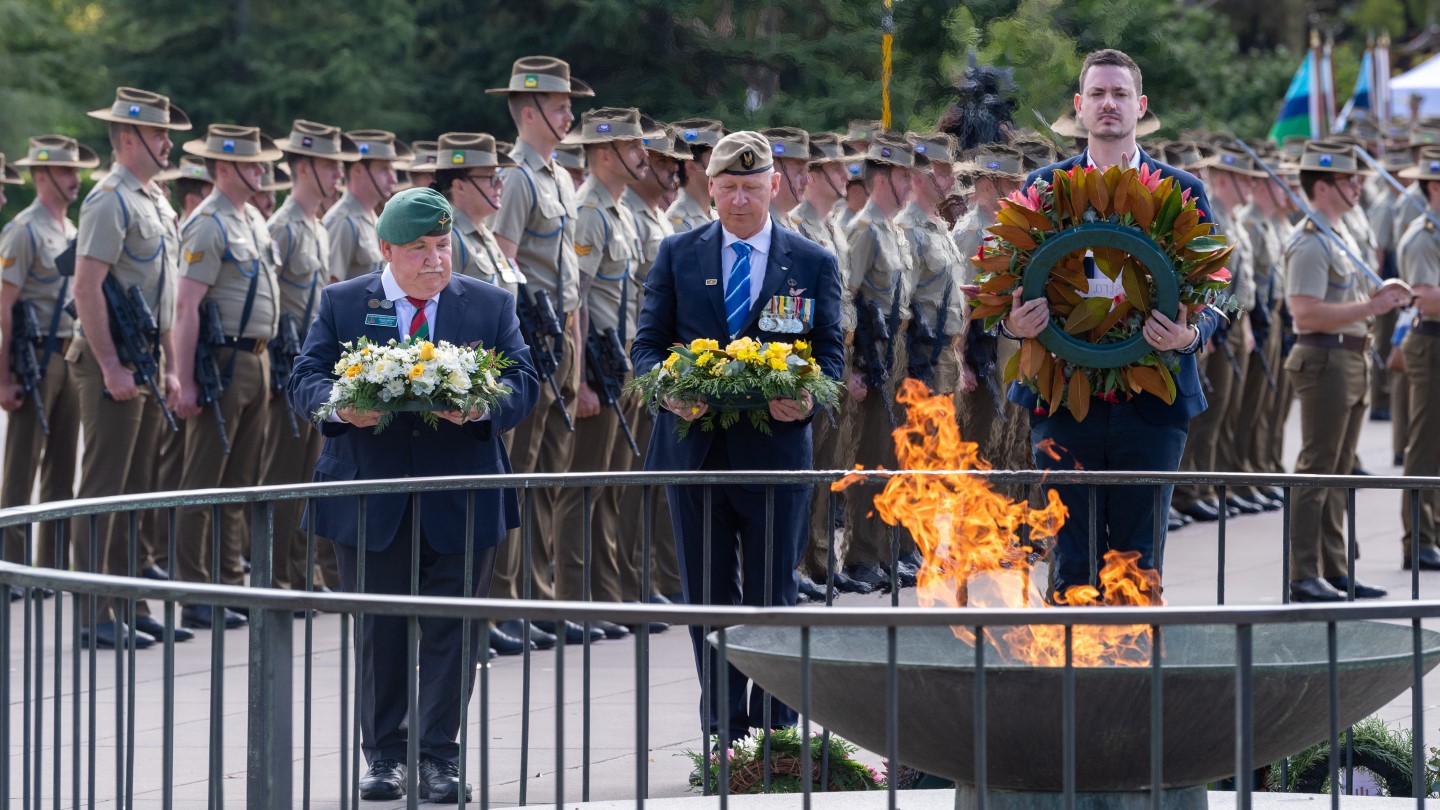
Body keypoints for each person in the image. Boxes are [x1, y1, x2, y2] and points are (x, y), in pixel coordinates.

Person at [287, 187, 538, 802]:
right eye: (420, 249)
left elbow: (524, 379)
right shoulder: (344, 303)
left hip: (463, 494)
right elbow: (306, 376)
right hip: (373, 497)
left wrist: (484, 406)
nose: (435, 260)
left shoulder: (488, 304)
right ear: (386, 250)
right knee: (381, 630)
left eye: (443, 245)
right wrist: (340, 408)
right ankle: (385, 757)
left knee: (455, 631)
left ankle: (438, 757)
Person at [631, 130, 843, 748]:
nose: (742, 200)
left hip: (775, 454)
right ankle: (724, 730)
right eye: (729, 188)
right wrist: (666, 389)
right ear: (710, 192)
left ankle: (775, 733)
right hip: (696, 452)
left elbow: (829, 353)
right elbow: (646, 346)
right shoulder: (677, 254)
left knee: (774, 594)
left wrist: (807, 397)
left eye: (754, 187)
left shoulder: (812, 263)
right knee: (708, 596)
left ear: (776, 186)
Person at [1000, 49, 1222, 600]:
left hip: (1152, 408)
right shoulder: (1044, 190)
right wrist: (1013, 326)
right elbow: (1003, 288)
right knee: (1072, 565)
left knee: (1137, 570)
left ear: (1140, 106)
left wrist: (1192, 336)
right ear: (1078, 106)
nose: (1108, 105)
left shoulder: (1181, 190)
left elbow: (1220, 293)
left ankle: (1134, 685)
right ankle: (1071, 684)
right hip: (1060, 402)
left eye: (1119, 94)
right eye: (1097, 94)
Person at [70, 86, 190, 649]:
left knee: (137, 488)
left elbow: (161, 291)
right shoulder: (108, 199)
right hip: (109, 363)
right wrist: (111, 365)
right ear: (127, 138)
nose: (168, 143)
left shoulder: (153, 199)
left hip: (145, 359)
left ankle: (128, 600)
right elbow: (86, 287)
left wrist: (166, 363)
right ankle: (94, 612)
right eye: (159, 134)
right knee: (104, 491)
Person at [487, 56, 592, 647]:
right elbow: (503, 265)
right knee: (518, 474)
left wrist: (574, 345)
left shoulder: (556, 177)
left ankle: (540, 598)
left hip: (562, 343)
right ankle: (502, 604)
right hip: (529, 343)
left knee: (550, 476)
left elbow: (568, 276)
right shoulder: (517, 179)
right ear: (529, 112)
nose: (568, 114)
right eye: (559, 106)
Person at [1283, 141, 1412, 602]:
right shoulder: (1310, 242)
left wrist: (1382, 297)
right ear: (1323, 185)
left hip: (1351, 357)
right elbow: (1306, 314)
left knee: (1339, 472)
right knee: (1316, 469)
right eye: (1348, 179)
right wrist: (1373, 306)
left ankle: (1335, 569)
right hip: (1324, 358)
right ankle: (1302, 572)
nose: (1358, 186)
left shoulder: (1340, 234)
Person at [170, 124, 282, 628]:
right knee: (202, 482)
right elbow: (186, 307)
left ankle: (229, 583)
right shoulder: (208, 222)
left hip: (256, 359)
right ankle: (195, 592)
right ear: (223, 168)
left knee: (240, 482)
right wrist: (184, 379)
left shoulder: (252, 219)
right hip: (223, 362)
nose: (262, 170)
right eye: (252, 163)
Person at [554, 107, 645, 630]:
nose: (643, 156)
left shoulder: (619, 208)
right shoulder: (589, 207)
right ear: (606, 152)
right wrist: (583, 378)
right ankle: (573, 598)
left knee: (609, 487)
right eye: (633, 147)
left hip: (621, 364)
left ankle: (605, 595)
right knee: (581, 489)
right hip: (598, 367)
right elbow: (579, 301)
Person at [261, 119, 359, 595]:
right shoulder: (282, 228)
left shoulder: (316, 228)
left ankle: (300, 572)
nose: (338, 173)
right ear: (302, 167)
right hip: (286, 365)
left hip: (311, 368)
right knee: (283, 475)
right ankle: (276, 576)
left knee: (308, 474)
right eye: (328, 164)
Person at [0, 137, 95, 592]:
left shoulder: (71, 228)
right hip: (34, 358)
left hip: (67, 354)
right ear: (41, 176)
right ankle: (12, 567)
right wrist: (3, 377)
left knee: (61, 467)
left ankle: (50, 567)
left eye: (75, 170)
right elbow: (3, 308)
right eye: (64, 171)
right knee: (21, 467)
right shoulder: (24, 229)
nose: (74, 179)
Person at [843, 131, 918, 591]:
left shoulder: (893, 229)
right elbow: (847, 299)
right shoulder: (864, 229)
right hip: (871, 353)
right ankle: (861, 555)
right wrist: (852, 365)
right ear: (883, 177)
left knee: (893, 456)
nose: (912, 182)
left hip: (898, 349)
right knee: (869, 458)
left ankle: (887, 549)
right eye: (904, 174)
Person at [1173, 140, 1262, 521]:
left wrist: (1236, 317)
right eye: (1194, 172)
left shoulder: (1223, 215)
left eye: (1204, 172)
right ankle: (1189, 489)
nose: (1200, 179)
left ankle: (1204, 485)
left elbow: (1233, 282)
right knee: (1201, 414)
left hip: (1223, 320)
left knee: (1224, 411)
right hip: (1203, 320)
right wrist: (1222, 319)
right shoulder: (1199, 216)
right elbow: (1213, 283)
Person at [1395, 150, 1440, 570]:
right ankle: (1418, 540)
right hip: (1430, 340)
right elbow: (1425, 297)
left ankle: (1435, 531)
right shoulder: (1423, 235)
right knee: (1425, 445)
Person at [323, 129, 410, 283]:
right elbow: (331, 288)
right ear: (358, 170)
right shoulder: (342, 222)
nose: (393, 179)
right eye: (384, 170)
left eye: (392, 170)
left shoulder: (374, 219)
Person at [666, 118, 724, 232]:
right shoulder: (678, 222)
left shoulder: (716, 216)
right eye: (716, 156)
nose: (724, 164)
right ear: (691, 167)